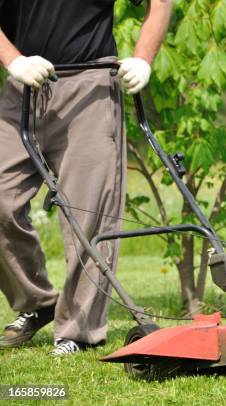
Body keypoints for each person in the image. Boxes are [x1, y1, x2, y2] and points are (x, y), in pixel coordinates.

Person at [0, 0, 173, 355]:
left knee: (88, 212)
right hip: (24, 84)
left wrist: (143, 57)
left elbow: (160, 2)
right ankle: (36, 300)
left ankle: (78, 331)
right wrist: (13, 60)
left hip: (90, 83)